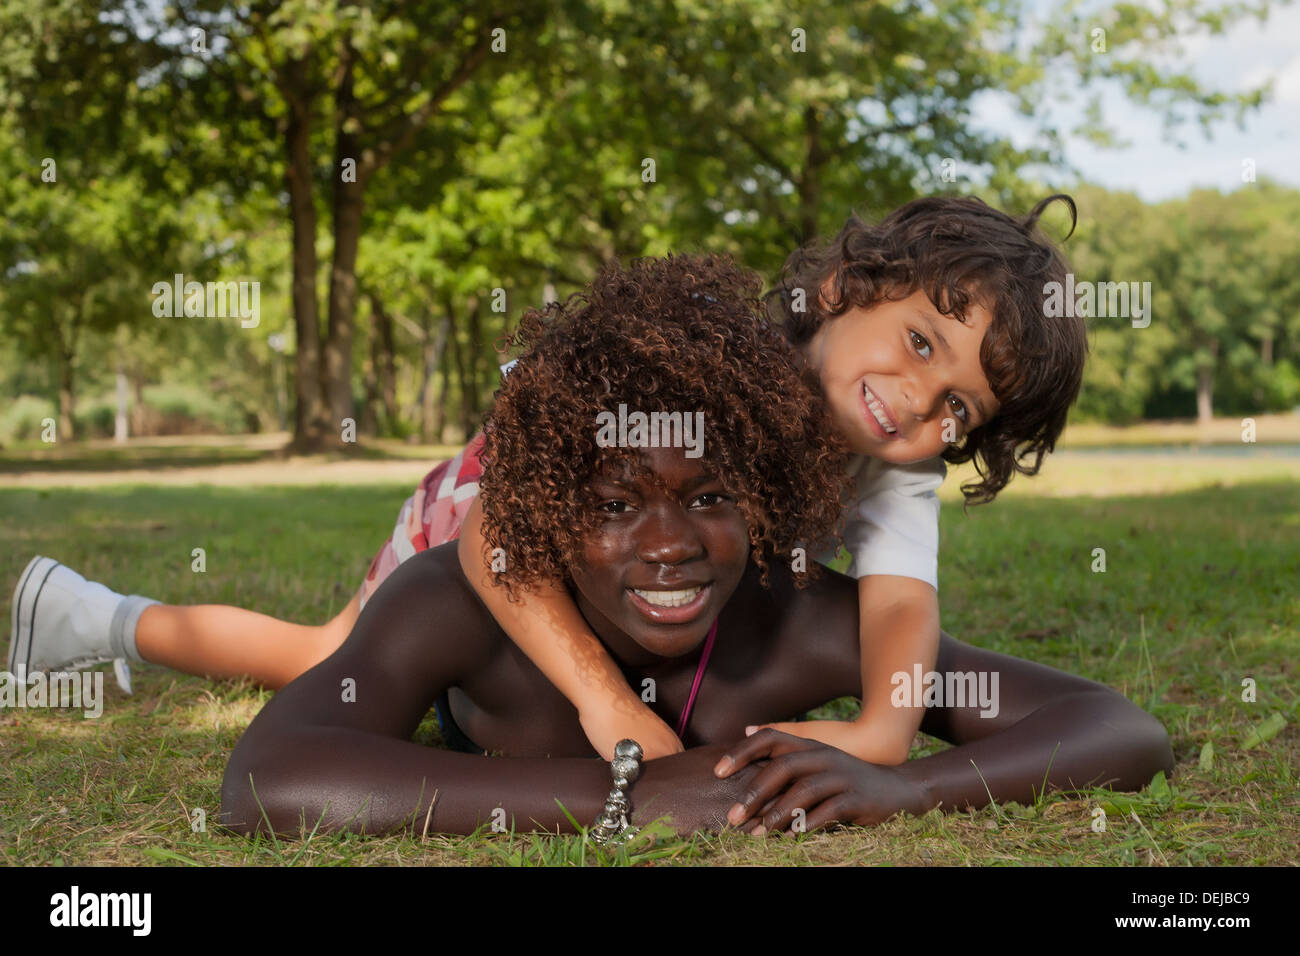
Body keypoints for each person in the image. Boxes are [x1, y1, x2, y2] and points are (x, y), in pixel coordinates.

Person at [216, 256, 1169, 837]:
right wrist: (617, 797)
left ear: (767, 495)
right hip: (472, 496)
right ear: (556, 506)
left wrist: (902, 784)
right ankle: (121, 623)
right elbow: (269, 779)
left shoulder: (793, 615)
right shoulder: (459, 602)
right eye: (619, 502)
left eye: (710, 496)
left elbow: (1117, 728)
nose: (668, 544)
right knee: (316, 653)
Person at [454, 193, 1087, 764]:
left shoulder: (899, 467)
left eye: (958, 406)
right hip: (483, 491)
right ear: (844, 290)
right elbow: (490, 530)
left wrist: (884, 733)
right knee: (385, 608)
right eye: (921, 343)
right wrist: (606, 700)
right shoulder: (701, 358)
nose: (920, 400)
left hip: (639, 593)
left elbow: (899, 602)